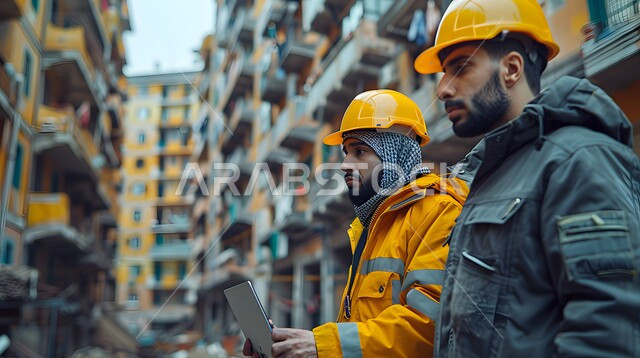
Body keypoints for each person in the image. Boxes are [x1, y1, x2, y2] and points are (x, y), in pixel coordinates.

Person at [414, 0, 640, 356]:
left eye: (460, 68)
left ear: (512, 69)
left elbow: (608, 333)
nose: (442, 89)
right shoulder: (489, 176)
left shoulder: (578, 161)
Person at [244, 89, 468, 357]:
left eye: (360, 151)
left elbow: (427, 327)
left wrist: (323, 345)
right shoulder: (370, 226)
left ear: (397, 155)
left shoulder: (438, 210)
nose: (345, 165)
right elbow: (361, 329)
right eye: (346, 152)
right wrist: (294, 346)